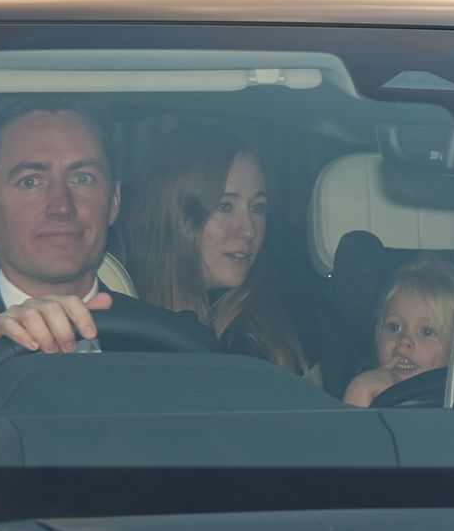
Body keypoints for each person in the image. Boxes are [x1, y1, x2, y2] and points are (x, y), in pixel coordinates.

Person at [0, 97, 215, 416]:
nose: (61, 206)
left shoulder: (179, 342)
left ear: (113, 201)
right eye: (30, 181)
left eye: (83, 178)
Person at [117, 126, 311, 377]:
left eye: (258, 208)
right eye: (225, 206)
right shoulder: (117, 320)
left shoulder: (291, 323)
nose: (249, 231)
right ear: (173, 216)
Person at [344, 258, 454, 407]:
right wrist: (360, 394)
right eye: (394, 327)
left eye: (427, 331)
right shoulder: (367, 386)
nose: (404, 340)